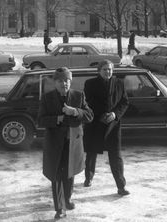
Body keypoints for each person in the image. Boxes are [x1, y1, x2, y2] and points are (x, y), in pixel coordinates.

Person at [38, 67, 93, 219]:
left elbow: (89, 116)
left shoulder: (78, 95)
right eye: (60, 81)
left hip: (73, 143)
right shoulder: (47, 98)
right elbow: (40, 120)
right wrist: (58, 119)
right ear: (55, 82)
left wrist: (75, 111)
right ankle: (60, 208)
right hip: (55, 144)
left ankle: (67, 199)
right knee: (56, 175)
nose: (64, 84)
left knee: (69, 173)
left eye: (67, 80)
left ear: (71, 81)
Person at [83, 59, 130, 196]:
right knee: (91, 153)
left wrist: (115, 114)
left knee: (116, 156)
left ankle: (121, 186)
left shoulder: (119, 83)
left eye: (110, 69)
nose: (108, 72)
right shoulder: (90, 83)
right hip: (95, 124)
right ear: (99, 71)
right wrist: (102, 115)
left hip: (113, 125)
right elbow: (89, 102)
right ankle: (89, 177)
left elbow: (124, 102)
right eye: (105, 69)